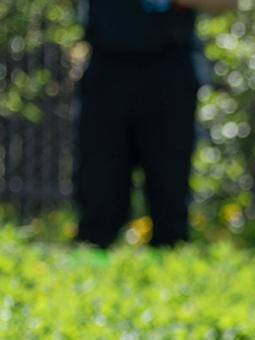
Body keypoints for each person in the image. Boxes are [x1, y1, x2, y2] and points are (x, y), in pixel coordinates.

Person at [73, 0, 238, 248]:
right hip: (107, 65)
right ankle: (92, 258)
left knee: (169, 190)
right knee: (98, 186)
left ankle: (168, 260)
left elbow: (227, 3)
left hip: (169, 68)